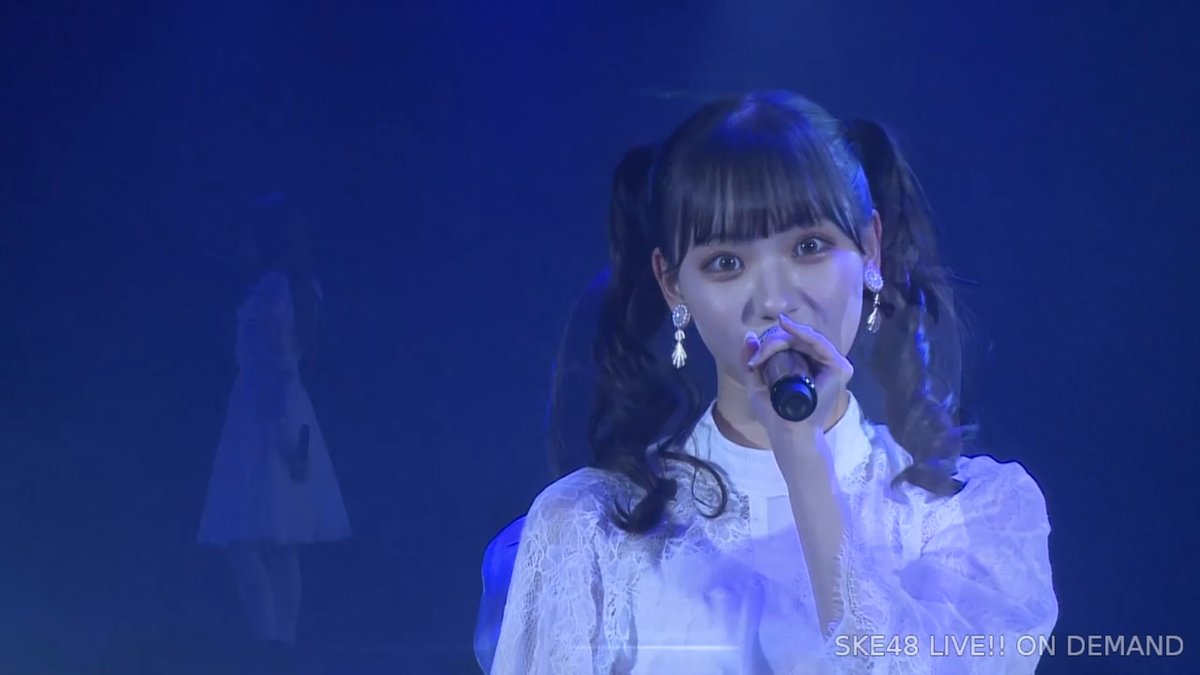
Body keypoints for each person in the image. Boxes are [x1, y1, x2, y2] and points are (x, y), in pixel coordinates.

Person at [489, 91, 1058, 674]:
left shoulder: (973, 513)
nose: (775, 299)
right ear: (673, 284)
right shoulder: (585, 525)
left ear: (870, 249)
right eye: (726, 263)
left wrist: (804, 459)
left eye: (809, 247)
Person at [197, 197, 352, 654]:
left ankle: (270, 643)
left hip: (264, 414)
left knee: (250, 537)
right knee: (278, 540)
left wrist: (286, 433)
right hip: (271, 409)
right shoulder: (294, 289)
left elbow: (280, 365)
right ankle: (279, 642)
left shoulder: (274, 291)